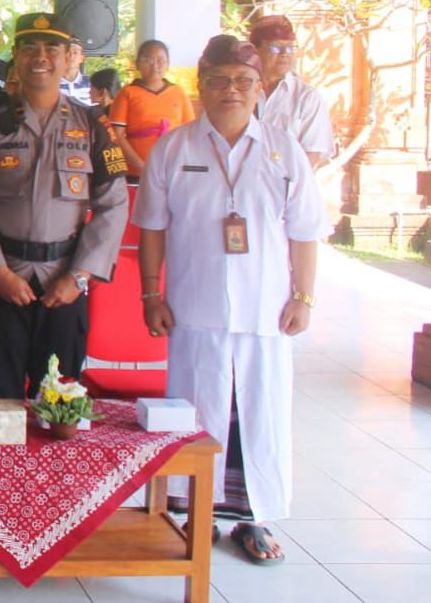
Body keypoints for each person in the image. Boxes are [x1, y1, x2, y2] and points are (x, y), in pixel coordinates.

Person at [135, 35, 322, 565]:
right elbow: (152, 227)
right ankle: (194, 513)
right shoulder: (175, 148)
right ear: (202, 86)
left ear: (260, 87)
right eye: (218, 80)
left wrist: (304, 296)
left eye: (243, 81)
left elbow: (306, 231)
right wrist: (152, 292)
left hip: (266, 311)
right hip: (194, 309)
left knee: (258, 415)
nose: (231, 91)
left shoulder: (285, 151)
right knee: (196, 414)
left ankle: (255, 519)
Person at [0, 13, 129, 398]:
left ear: (69, 56)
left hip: (64, 283)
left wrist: (79, 276)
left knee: (58, 406)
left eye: (51, 47)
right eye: (29, 47)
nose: (41, 57)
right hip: (1, 282)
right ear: (15, 55)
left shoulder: (91, 125)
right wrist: (0, 273)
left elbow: (114, 204)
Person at [249, 15, 335, 168]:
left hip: (287, 186)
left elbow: (312, 154)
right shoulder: (241, 90)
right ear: (256, 51)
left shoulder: (307, 98)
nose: (284, 53)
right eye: (275, 47)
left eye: (289, 47)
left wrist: (286, 187)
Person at [109, 40, 197, 180]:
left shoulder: (178, 93)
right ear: (137, 63)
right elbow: (116, 135)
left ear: (168, 64)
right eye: (148, 61)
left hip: (172, 171)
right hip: (135, 173)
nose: (155, 66)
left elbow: (190, 134)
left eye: (160, 61)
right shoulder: (127, 93)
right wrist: (140, 166)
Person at [60, 38, 92, 104]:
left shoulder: (92, 83)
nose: (71, 56)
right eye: (67, 52)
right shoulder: (51, 83)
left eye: (75, 52)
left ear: (82, 58)